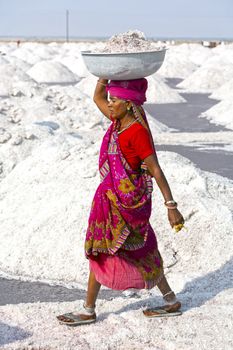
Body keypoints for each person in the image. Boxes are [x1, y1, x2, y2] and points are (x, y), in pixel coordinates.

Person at [57, 78, 185, 326]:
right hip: (109, 202)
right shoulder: (117, 124)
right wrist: (104, 76)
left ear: (128, 104)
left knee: (139, 251)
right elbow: (97, 97)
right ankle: (91, 308)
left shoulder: (137, 133)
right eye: (112, 99)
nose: (110, 104)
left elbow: (156, 170)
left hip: (129, 205)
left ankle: (167, 301)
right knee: (102, 249)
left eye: (115, 100)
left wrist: (172, 207)